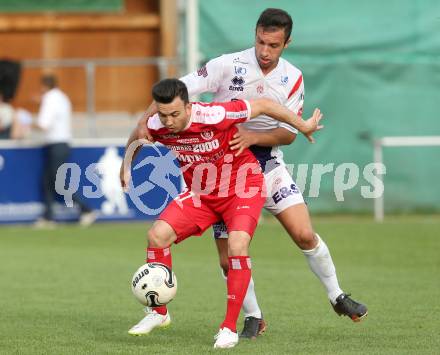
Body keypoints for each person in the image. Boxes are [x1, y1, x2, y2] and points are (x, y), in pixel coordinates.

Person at [135, 8, 367, 338]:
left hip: (266, 163)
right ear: (255, 34)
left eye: (273, 45)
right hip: (220, 169)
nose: (264, 51)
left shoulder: (293, 77)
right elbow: (173, 94)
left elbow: (287, 134)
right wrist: (142, 125)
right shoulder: (226, 65)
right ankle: (253, 317)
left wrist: (254, 137)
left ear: (287, 43)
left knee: (303, 233)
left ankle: (337, 295)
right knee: (229, 257)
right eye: (260, 41)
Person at [120, 78, 323, 349]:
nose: (168, 121)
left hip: (243, 186)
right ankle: (159, 314)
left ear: (189, 107)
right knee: (157, 235)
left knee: (236, 245)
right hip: (202, 194)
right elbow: (137, 133)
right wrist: (126, 167)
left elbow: (262, 105)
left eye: (175, 114)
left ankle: (228, 328)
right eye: (163, 114)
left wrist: (303, 125)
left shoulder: (214, 114)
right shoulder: (158, 124)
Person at [33, 74, 96, 228]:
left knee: (56, 181)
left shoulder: (49, 98)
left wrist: (27, 121)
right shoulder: (62, 97)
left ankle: (86, 209)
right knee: (47, 181)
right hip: (62, 144)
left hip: (56, 144)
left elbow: (43, 124)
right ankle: (48, 217)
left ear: (44, 86)